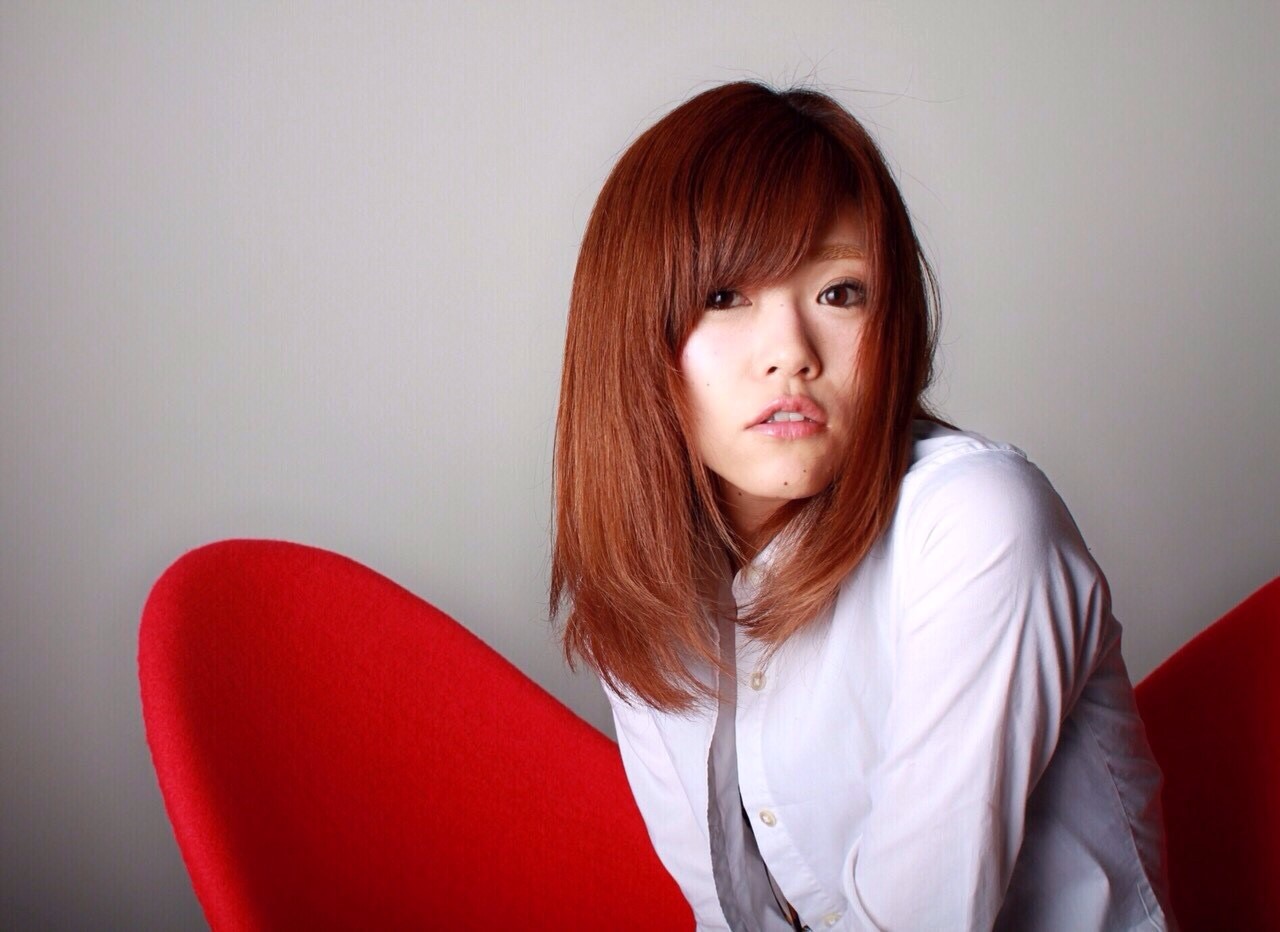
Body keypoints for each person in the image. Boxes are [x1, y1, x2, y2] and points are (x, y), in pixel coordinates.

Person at [551, 81, 1173, 931]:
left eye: (840, 292)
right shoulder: (646, 593)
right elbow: (727, 915)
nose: (791, 354)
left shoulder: (976, 523)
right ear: (633, 338)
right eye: (725, 296)